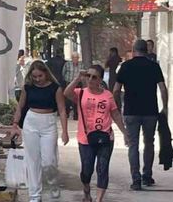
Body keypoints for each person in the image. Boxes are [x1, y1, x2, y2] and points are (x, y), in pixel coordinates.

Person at [65, 64, 129, 202]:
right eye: (88, 76)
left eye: (94, 77)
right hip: (85, 139)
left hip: (105, 138)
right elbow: (66, 93)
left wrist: (124, 133)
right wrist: (78, 78)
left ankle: (99, 199)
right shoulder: (81, 93)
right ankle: (86, 191)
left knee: (102, 168)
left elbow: (116, 114)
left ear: (100, 80)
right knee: (86, 171)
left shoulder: (108, 95)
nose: (90, 79)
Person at [113, 38, 169, 190]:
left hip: (131, 111)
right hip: (150, 111)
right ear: (147, 50)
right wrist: (165, 107)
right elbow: (163, 88)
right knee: (149, 143)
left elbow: (116, 90)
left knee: (133, 145)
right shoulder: (153, 66)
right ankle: (147, 176)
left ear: (133, 49)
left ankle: (135, 179)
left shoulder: (125, 66)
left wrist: (117, 107)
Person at [12, 60, 69, 202]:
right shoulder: (28, 87)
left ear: (46, 74)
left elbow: (62, 110)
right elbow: (20, 106)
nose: (37, 79)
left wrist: (65, 131)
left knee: (49, 161)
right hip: (31, 122)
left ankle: (53, 184)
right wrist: (15, 124)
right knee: (33, 161)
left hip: (48, 123)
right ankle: (35, 196)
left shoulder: (56, 88)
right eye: (34, 76)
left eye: (40, 76)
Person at [63, 53, 82, 119]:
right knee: (67, 99)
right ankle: (66, 114)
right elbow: (63, 73)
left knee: (76, 99)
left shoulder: (81, 64)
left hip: (78, 84)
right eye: (74, 57)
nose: (75, 59)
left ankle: (76, 115)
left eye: (77, 57)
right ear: (72, 58)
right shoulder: (67, 64)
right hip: (69, 83)